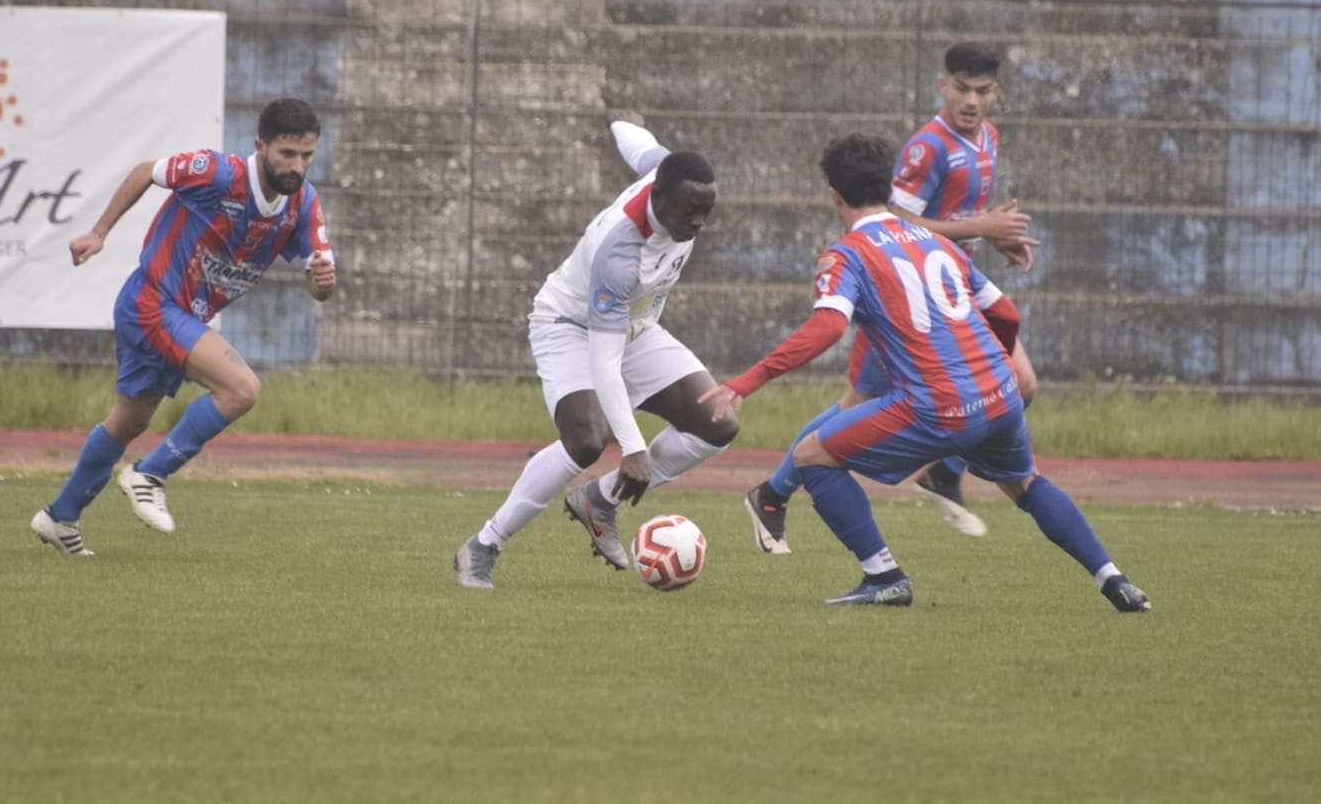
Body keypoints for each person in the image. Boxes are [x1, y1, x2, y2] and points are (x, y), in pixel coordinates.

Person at [701, 133, 1149, 612]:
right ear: (889, 187)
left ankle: (884, 577)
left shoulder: (848, 253)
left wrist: (747, 381)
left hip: (939, 406)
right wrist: (986, 367)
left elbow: (828, 326)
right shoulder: (939, 243)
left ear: (834, 195)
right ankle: (1115, 580)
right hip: (1001, 393)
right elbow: (1006, 313)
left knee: (812, 456)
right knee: (1026, 483)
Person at [743, 41, 1041, 552]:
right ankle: (774, 492)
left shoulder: (987, 138)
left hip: (951, 294)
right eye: (962, 88)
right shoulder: (928, 148)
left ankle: (943, 473)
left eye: (982, 90)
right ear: (943, 86)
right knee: (853, 407)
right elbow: (894, 219)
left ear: (996, 92)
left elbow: (959, 218)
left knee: (1023, 383)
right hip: (904, 297)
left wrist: (993, 237)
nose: (971, 100)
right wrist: (980, 226)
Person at [30, 98, 336, 555]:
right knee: (241, 389)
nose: (297, 166)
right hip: (153, 302)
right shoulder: (218, 174)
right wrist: (99, 232)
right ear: (261, 146)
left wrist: (322, 283)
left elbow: (320, 286)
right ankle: (149, 474)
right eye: (287, 154)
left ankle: (59, 517)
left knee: (128, 422)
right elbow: (145, 172)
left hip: (179, 315)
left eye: (306, 155)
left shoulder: (303, 204)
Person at [453, 113, 740, 589]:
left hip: (635, 327)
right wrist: (633, 449)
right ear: (658, 197)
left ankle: (600, 498)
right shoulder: (621, 252)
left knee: (718, 421)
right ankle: (483, 545)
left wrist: (620, 123)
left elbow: (642, 148)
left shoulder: (667, 176)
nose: (699, 222)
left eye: (706, 211)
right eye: (691, 210)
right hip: (570, 326)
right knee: (587, 441)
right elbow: (604, 363)